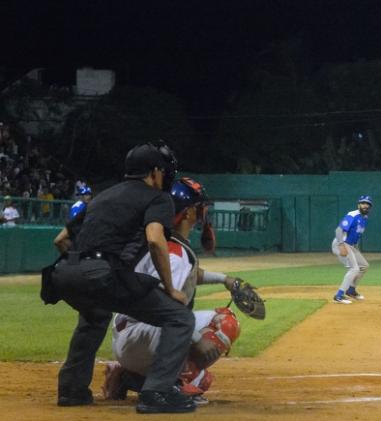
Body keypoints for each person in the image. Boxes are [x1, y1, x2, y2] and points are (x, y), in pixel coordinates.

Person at [49, 141, 199, 414]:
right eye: (163, 171)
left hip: (64, 273)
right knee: (179, 318)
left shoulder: (103, 195)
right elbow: (155, 241)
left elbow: (60, 239)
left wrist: (81, 270)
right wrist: (170, 288)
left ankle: (72, 391)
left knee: (94, 315)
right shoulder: (158, 198)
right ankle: (157, 393)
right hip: (102, 272)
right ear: (154, 172)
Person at [102, 177, 242, 405]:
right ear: (187, 213)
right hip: (140, 336)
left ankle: (127, 376)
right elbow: (161, 301)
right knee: (201, 378)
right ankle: (173, 384)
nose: (202, 213)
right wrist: (196, 339)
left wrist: (224, 279)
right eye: (198, 208)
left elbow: (188, 275)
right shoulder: (175, 253)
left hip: (131, 332)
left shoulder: (164, 242)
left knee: (221, 320)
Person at [331, 195, 372, 304]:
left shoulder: (364, 218)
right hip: (342, 243)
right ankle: (339, 296)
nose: (365, 205)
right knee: (354, 268)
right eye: (363, 203)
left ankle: (351, 290)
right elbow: (339, 230)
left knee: (364, 266)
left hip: (350, 245)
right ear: (359, 205)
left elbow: (355, 235)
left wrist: (355, 249)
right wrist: (341, 246)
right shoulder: (353, 215)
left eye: (367, 204)